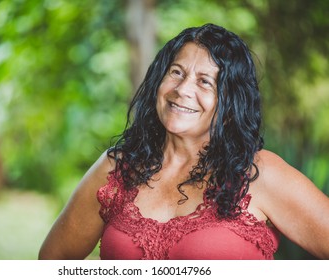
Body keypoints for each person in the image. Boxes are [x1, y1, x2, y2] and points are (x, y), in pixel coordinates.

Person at [38, 23, 329, 260]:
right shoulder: (116, 169)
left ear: (231, 104)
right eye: (176, 72)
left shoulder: (259, 174)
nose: (182, 89)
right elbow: (53, 261)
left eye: (205, 81)